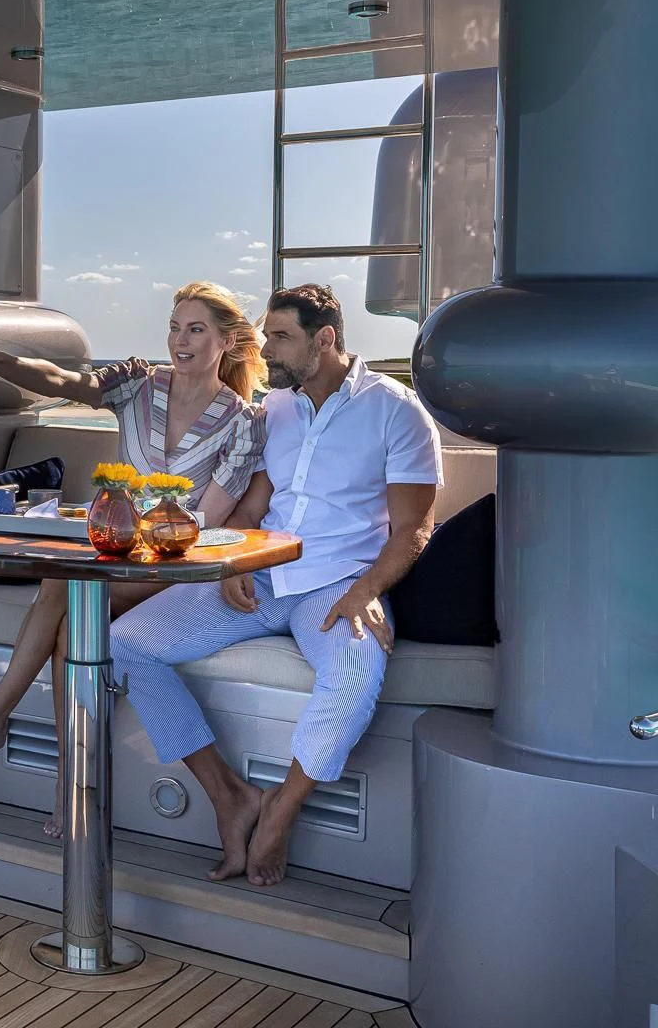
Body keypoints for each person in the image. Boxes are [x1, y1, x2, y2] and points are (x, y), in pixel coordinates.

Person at [109, 283, 440, 886]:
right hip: (261, 576)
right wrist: (238, 562)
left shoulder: (397, 410)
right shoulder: (276, 408)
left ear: (327, 339)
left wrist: (366, 593)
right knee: (127, 641)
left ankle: (281, 811)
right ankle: (229, 796)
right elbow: (255, 506)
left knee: (357, 670)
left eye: (281, 338)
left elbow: (414, 527)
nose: (268, 350)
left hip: (339, 585)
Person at [0, 282, 269, 835]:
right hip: (116, 550)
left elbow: (208, 519)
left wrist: (141, 528)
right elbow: (64, 381)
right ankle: (69, 779)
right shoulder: (137, 384)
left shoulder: (244, 422)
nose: (179, 340)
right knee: (69, 625)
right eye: (175, 326)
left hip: (178, 564)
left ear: (228, 341)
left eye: (195, 329)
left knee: (65, 581)